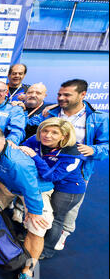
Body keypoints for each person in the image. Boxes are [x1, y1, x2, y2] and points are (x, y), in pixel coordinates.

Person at [28, 79, 109, 249]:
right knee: (45, 207)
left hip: (75, 170)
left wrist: (94, 150)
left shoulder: (97, 118)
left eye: (66, 95)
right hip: (48, 165)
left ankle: (58, 238)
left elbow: (106, 145)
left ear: (82, 95)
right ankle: (38, 236)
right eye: (59, 94)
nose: (61, 98)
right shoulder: (51, 112)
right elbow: (33, 128)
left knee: (63, 212)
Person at [0, 124, 54, 279]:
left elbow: (31, 187)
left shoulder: (16, 162)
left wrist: (34, 211)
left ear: (4, 140)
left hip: (35, 190)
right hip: (9, 185)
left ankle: (28, 273)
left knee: (37, 228)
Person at [18, 118, 86, 259]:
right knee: (43, 214)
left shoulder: (73, 154)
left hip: (68, 189)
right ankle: (34, 237)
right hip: (48, 185)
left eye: (54, 133)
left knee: (56, 219)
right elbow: (21, 149)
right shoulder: (35, 140)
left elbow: (52, 176)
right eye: (45, 130)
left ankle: (46, 250)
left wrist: (35, 156)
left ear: (64, 136)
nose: (47, 135)